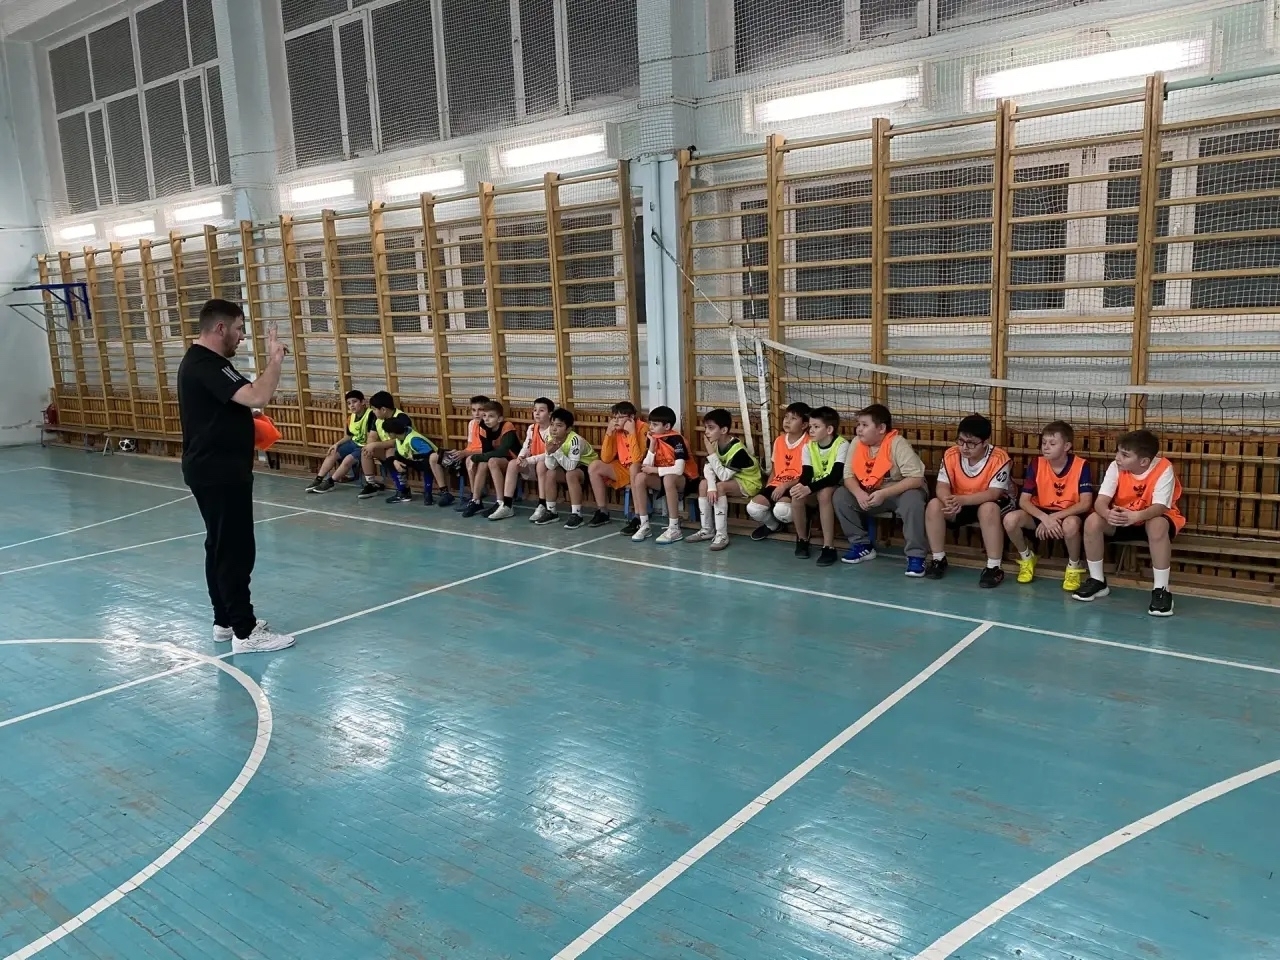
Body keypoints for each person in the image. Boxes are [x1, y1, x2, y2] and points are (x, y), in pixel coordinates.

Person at [177, 299, 293, 654]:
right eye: (239, 329)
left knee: (219, 546)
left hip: (213, 468)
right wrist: (275, 359)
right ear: (220, 328)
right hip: (220, 472)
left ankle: (225, 621)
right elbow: (258, 394)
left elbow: (231, 406)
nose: (242, 336)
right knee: (235, 550)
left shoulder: (204, 364)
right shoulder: (207, 364)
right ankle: (245, 631)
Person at [1073, 429, 1185, 616]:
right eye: (1118, 452)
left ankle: (1161, 590)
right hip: (1123, 519)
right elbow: (1100, 502)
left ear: (1144, 462)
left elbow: (1160, 507)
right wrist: (1107, 514)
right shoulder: (1115, 467)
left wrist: (1136, 516)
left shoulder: (1164, 468)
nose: (1118, 457)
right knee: (1093, 520)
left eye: (1124, 455)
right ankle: (1097, 581)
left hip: (1151, 518)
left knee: (1157, 525)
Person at [834, 404, 928, 577]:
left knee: (913, 500)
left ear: (881, 428)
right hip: (870, 493)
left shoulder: (897, 443)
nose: (859, 429)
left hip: (898, 492)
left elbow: (916, 478)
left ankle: (916, 555)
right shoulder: (856, 443)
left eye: (864, 425)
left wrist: (884, 493)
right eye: (858, 424)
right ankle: (862, 545)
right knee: (840, 495)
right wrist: (859, 494)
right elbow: (848, 476)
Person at [923, 413, 1014, 587]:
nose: (964, 447)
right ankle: (938, 559)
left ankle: (994, 567)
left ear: (985, 442)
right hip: (960, 501)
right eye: (961, 441)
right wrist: (948, 501)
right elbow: (942, 486)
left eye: (971, 443)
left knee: (988, 509)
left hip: (993, 503)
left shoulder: (999, 458)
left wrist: (961, 501)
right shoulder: (951, 454)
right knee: (934, 505)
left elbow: (993, 494)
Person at [1003, 420, 1094, 591]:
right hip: (1041, 512)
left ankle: (1074, 566)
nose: (1046, 447)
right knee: (1010, 519)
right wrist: (1044, 518)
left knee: (1071, 524)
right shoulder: (1037, 463)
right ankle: (1027, 557)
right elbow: (1023, 501)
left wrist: (1054, 517)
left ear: (1066, 446)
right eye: (1044, 442)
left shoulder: (1082, 465)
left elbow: (1085, 503)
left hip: (1068, 513)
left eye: (1052, 443)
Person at [687, 408, 763, 551]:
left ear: (723, 430)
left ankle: (722, 535)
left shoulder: (738, 451)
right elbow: (708, 468)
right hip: (731, 479)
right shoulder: (715, 444)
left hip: (749, 482)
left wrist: (710, 453)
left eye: (711, 428)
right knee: (703, 484)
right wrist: (710, 487)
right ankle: (707, 529)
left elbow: (722, 476)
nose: (706, 432)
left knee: (720, 486)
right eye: (706, 428)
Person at [630, 405, 698, 544]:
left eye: (655, 424)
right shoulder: (653, 438)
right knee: (640, 477)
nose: (650, 427)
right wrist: (652, 447)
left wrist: (655, 471)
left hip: (686, 480)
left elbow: (679, 470)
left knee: (668, 479)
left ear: (667, 426)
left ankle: (674, 528)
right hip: (665, 476)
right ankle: (644, 525)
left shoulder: (677, 440)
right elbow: (646, 467)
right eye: (650, 423)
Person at [791, 406, 849, 566]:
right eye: (810, 426)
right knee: (796, 495)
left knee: (824, 494)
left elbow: (835, 476)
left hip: (836, 487)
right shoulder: (808, 446)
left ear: (829, 429)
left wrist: (809, 488)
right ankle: (802, 539)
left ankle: (828, 547)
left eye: (816, 427)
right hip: (815, 486)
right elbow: (806, 475)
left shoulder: (842, 445)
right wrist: (801, 487)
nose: (811, 430)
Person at [746, 401, 811, 541]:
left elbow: (808, 475)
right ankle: (773, 526)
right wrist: (768, 488)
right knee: (753, 508)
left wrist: (784, 486)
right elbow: (775, 469)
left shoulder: (810, 442)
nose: (787, 421)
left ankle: (804, 522)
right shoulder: (779, 440)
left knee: (782, 510)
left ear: (804, 425)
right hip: (777, 483)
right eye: (786, 417)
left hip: (797, 485)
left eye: (793, 418)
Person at [586, 401, 648, 529]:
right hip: (623, 467)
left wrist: (631, 433)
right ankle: (603, 512)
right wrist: (609, 433)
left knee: (634, 467)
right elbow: (606, 458)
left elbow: (637, 459)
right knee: (594, 466)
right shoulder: (616, 430)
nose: (616, 421)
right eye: (614, 418)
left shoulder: (643, 428)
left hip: (640, 469)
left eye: (620, 417)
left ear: (631, 418)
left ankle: (638, 517)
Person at [492, 396, 555, 522]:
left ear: (550, 414)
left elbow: (548, 454)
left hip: (549, 466)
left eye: (541, 410)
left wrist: (529, 460)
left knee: (541, 464)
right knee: (513, 464)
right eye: (535, 410)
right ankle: (507, 505)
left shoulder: (553, 430)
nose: (537, 413)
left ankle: (542, 504)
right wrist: (521, 456)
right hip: (532, 465)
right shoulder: (532, 428)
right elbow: (526, 446)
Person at [306, 390, 376, 493]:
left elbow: (372, 437)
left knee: (347, 459)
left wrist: (366, 447)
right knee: (333, 452)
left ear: (363, 402)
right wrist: (336, 444)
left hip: (364, 446)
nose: (352, 405)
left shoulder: (371, 415)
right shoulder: (351, 417)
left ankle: (331, 482)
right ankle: (318, 479)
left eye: (354, 402)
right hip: (353, 443)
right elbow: (349, 436)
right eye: (349, 403)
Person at [539, 407, 599, 529]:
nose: (554, 428)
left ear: (568, 429)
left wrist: (556, 451)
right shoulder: (549, 437)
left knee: (571, 474)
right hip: (568, 466)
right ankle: (551, 511)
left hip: (588, 469)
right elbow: (550, 465)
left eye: (559, 425)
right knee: (550, 472)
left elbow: (571, 466)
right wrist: (549, 453)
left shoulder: (575, 440)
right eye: (552, 424)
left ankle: (577, 515)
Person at [462, 400, 520, 517]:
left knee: (490, 460)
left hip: (513, 460)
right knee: (484, 463)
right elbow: (487, 451)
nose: (486, 419)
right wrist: (476, 458)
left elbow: (503, 451)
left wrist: (475, 457)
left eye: (491, 416)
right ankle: (476, 500)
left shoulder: (507, 426)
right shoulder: (483, 428)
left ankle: (501, 502)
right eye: (484, 416)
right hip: (496, 460)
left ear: (499, 419)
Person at [380, 414, 444, 504]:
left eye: (387, 432)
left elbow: (429, 453)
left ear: (392, 432)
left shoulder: (414, 439)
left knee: (427, 464)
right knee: (390, 461)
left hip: (429, 461)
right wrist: (395, 461)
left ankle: (428, 494)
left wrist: (414, 457)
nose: (386, 434)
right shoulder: (399, 438)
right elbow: (399, 452)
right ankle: (403, 492)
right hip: (414, 461)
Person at [357, 391, 403, 499]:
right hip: (386, 447)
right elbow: (372, 436)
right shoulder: (378, 419)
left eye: (374, 409)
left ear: (383, 409)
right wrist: (369, 446)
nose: (373, 412)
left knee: (389, 452)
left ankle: (402, 489)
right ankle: (371, 484)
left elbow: (398, 441)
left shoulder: (400, 417)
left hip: (403, 449)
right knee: (365, 450)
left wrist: (375, 445)